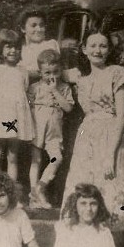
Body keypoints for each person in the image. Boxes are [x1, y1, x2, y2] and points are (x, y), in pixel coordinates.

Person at [61, 31, 124, 231]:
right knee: (83, 189)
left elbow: (122, 115)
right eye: (93, 45)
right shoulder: (82, 79)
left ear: (109, 50)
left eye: (103, 46)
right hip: (86, 140)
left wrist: (109, 155)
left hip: (109, 138)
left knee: (109, 190)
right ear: (84, 49)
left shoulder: (117, 72)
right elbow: (48, 68)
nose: (98, 50)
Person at [0, 29, 34, 181]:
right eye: (8, 47)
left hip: (16, 117)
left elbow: (23, 93)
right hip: (0, 117)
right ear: (1, 49)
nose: (13, 50)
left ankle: (12, 194)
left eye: (16, 47)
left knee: (13, 156)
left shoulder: (23, 71)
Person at [28, 49, 74, 209]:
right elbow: (26, 106)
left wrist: (55, 90)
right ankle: (35, 198)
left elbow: (68, 108)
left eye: (55, 72)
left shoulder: (64, 88)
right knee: (36, 160)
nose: (52, 76)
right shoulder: (34, 87)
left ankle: (40, 186)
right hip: (37, 126)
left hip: (54, 130)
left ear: (61, 70)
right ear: (40, 72)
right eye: (47, 72)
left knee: (57, 158)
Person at [18, 7, 60, 81]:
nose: (39, 29)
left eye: (41, 25)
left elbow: (50, 70)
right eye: (33, 26)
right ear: (23, 28)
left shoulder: (50, 44)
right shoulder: (19, 49)